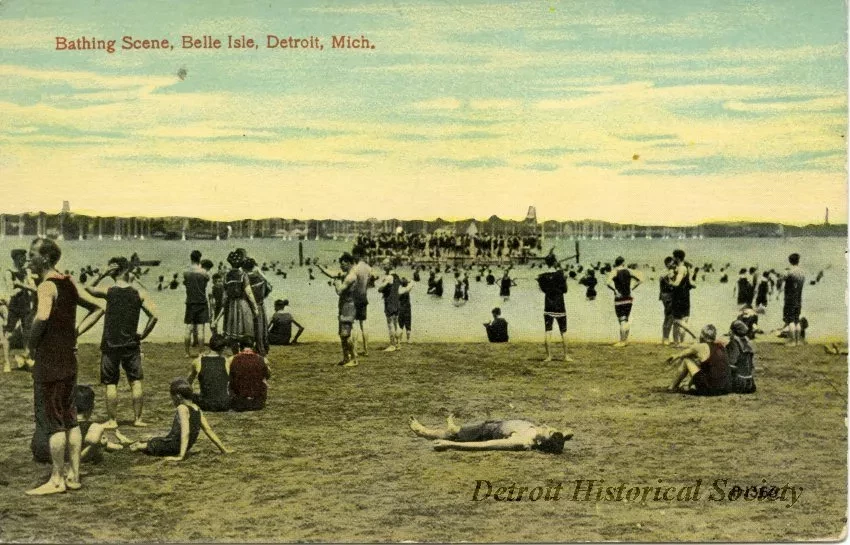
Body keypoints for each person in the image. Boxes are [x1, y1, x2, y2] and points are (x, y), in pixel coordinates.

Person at [26, 237, 105, 495]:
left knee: (53, 421)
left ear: (45, 258)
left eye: (32, 255)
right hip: (69, 359)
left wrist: (31, 341)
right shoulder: (69, 281)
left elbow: (43, 315)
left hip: (50, 360)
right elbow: (97, 308)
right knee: (70, 419)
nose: (28, 260)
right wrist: (76, 334)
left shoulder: (46, 286)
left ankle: (57, 479)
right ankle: (74, 476)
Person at [86, 257, 158, 429]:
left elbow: (88, 288)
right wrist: (143, 335)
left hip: (110, 343)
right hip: (131, 343)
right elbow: (154, 316)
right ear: (127, 270)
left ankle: (112, 421)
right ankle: (138, 419)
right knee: (136, 381)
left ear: (113, 272)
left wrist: (102, 273)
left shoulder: (109, 291)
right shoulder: (138, 293)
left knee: (111, 383)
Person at [120, 378, 231, 460]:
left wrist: (181, 456)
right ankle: (125, 441)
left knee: (143, 445)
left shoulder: (182, 408)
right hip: (181, 446)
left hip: (172, 446)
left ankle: (128, 443)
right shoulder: (197, 409)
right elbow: (208, 430)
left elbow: (185, 432)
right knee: (153, 441)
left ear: (178, 397)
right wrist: (223, 449)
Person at [32, 384, 124, 465]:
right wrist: (98, 444)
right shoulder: (92, 427)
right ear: (91, 407)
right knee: (93, 441)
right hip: (62, 456)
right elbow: (93, 440)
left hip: (40, 452)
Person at [408, 415, 571, 454]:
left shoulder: (522, 441)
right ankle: (446, 430)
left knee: (451, 433)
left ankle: (423, 432)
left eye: (548, 431)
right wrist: (563, 435)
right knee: (452, 432)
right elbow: (556, 437)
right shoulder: (541, 437)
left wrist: (451, 446)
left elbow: (485, 445)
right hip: (496, 424)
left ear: (542, 443)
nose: (547, 426)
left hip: (485, 432)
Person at [666, 324, 729, 396]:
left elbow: (681, 355)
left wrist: (673, 357)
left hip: (710, 390)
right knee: (703, 363)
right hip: (725, 388)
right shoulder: (721, 346)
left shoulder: (700, 347)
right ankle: (689, 385)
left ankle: (672, 387)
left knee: (686, 360)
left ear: (702, 335)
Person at [216, 249, 258, 354]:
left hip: (231, 305)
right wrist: (255, 307)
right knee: (245, 331)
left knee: (232, 333)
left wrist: (220, 313)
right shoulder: (243, 275)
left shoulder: (226, 276)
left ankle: (235, 354)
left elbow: (224, 296)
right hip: (242, 304)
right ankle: (244, 353)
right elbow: (249, 293)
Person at [4, 249, 36, 370]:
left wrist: (20, 285)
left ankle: (26, 358)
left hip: (26, 304)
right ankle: (7, 363)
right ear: (16, 258)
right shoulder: (9, 272)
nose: (25, 260)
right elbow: (11, 291)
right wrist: (21, 286)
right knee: (9, 334)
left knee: (27, 333)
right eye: (22, 258)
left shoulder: (26, 271)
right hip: (14, 305)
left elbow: (33, 288)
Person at [538, 254, 572, 362]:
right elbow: (565, 290)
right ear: (555, 262)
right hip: (560, 305)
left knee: (548, 331)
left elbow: (542, 290)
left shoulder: (542, 276)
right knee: (564, 331)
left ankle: (549, 356)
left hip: (548, 304)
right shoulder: (560, 274)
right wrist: (565, 280)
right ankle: (566, 356)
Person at [187, 334, 231, 412]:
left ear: (210, 346)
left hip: (206, 403)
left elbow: (189, 381)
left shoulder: (198, 361)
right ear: (223, 348)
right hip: (224, 403)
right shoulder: (226, 361)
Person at [606, 257, 643, 347]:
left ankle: (622, 341)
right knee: (625, 319)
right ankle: (625, 340)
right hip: (629, 297)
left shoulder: (614, 271)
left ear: (616, 263)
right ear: (623, 263)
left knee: (622, 320)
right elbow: (640, 280)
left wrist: (615, 290)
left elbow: (607, 283)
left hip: (620, 298)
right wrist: (632, 288)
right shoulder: (629, 271)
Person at [229, 340, 271, 411]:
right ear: (254, 345)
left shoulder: (232, 359)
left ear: (239, 346)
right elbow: (267, 375)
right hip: (257, 403)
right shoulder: (262, 359)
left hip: (239, 402)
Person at [182, 250, 210, 358]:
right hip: (201, 302)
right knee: (200, 329)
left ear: (191, 258)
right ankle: (201, 352)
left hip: (190, 302)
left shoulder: (186, 272)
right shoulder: (204, 273)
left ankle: (187, 352)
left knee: (188, 328)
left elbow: (186, 282)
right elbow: (206, 280)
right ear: (200, 259)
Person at [243, 258, 272, 356]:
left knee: (250, 328)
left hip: (248, 305)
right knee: (261, 328)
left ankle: (250, 348)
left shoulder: (245, 278)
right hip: (260, 304)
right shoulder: (260, 278)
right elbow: (268, 289)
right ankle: (262, 348)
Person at [669, 249, 695, 346]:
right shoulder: (686, 268)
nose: (673, 259)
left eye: (674, 257)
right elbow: (691, 283)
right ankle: (679, 342)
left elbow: (676, 283)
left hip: (678, 296)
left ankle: (692, 335)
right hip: (685, 295)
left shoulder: (681, 268)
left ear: (677, 258)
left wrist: (669, 281)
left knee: (676, 320)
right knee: (684, 319)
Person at [376, 263, 402, 351]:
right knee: (396, 323)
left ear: (389, 266)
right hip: (396, 301)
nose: (383, 265)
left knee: (390, 323)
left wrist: (380, 288)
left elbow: (381, 288)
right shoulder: (397, 277)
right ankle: (398, 344)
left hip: (390, 302)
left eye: (385, 264)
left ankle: (392, 345)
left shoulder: (389, 277)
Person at [351, 247, 372, 356]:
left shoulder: (355, 268)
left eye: (353, 255)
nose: (353, 257)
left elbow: (353, 284)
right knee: (364, 323)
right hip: (364, 296)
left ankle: (355, 350)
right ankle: (366, 350)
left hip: (355, 298)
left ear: (357, 255)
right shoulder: (369, 268)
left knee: (354, 324)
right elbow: (369, 282)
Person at [726, 321, 757, 394]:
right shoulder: (747, 342)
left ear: (732, 332)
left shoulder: (734, 343)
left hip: (740, 384)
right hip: (750, 383)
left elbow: (731, 364)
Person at [782, 253, 806, 347]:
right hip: (799, 297)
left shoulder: (789, 271)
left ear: (790, 261)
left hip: (790, 298)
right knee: (797, 319)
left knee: (790, 320)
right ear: (798, 261)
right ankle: (798, 340)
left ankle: (792, 341)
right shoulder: (802, 272)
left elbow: (782, 279)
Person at [659, 256, 676, 345]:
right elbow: (670, 284)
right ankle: (666, 338)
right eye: (672, 263)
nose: (674, 264)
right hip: (668, 295)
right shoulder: (667, 272)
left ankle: (664, 337)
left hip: (664, 295)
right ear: (668, 263)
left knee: (667, 316)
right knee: (670, 317)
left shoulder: (664, 271)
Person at [398, 278, 414, 343]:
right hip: (407, 309)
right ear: (406, 284)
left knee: (400, 325)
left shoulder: (399, 290)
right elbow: (412, 283)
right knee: (408, 324)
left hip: (400, 309)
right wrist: (409, 280)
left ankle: (399, 340)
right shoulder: (407, 290)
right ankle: (408, 339)